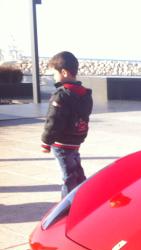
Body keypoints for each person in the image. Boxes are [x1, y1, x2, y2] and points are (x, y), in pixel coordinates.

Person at [41, 51, 93, 198]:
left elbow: (53, 120)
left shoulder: (61, 95)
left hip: (61, 143)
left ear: (63, 72)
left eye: (54, 74)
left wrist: (46, 142)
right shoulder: (85, 94)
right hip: (76, 140)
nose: (53, 78)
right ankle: (84, 196)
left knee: (68, 177)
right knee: (76, 172)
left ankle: (67, 207)